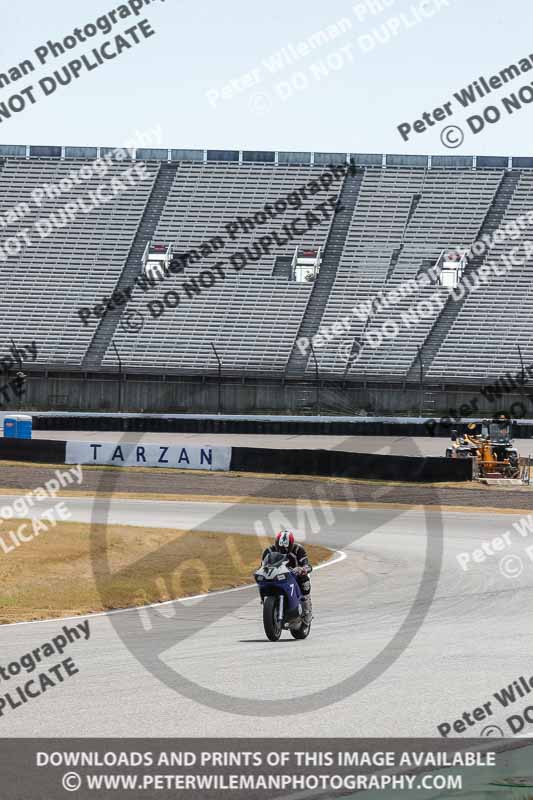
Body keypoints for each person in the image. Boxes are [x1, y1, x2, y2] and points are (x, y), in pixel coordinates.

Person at [262, 529, 313, 623]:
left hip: (294, 575)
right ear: (276, 543)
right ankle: (265, 600)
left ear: (291, 544)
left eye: (286, 548)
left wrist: (302, 569)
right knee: (262, 579)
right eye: (280, 547)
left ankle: (307, 609)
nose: (283, 550)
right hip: (276, 575)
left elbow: (306, 564)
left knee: (305, 580)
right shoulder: (269, 551)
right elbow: (263, 565)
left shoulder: (298, 549)